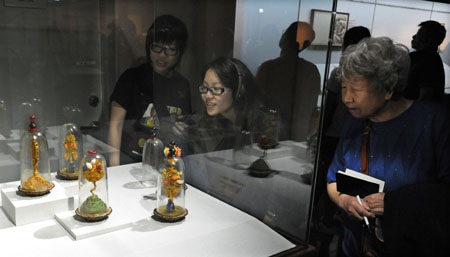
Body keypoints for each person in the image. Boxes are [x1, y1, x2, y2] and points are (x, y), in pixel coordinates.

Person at [326, 37, 450, 257]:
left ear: (388, 89)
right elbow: (333, 181)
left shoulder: (435, 122)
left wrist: (394, 204)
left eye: (355, 89)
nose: (346, 98)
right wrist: (345, 202)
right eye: (344, 87)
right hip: (356, 246)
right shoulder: (355, 122)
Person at [313, 26, 371, 257]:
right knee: (334, 178)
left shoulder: (340, 72)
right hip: (344, 131)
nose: (349, 97)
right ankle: (329, 220)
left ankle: (328, 220)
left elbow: (331, 105)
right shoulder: (340, 72)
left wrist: (321, 130)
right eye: (346, 89)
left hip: (338, 132)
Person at [108, 15, 191, 166]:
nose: (162, 55)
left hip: (165, 162)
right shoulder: (131, 77)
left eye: (170, 50)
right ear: (148, 46)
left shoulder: (182, 85)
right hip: (130, 160)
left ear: (180, 52)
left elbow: (182, 124)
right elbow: (116, 124)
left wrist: (183, 130)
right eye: (157, 47)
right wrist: (114, 166)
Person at [174, 57, 262, 154]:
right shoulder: (213, 123)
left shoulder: (261, 126)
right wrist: (189, 137)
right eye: (205, 87)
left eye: (216, 89)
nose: (207, 95)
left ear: (239, 91)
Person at [256, 21, 321, 142]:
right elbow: (311, 109)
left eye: (285, 32)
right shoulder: (311, 70)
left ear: (285, 38)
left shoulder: (268, 68)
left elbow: (257, 104)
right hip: (298, 135)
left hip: (271, 134)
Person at [403, 20, 446, 102]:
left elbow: (426, 95)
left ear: (428, 40)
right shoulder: (433, 59)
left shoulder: (426, 61)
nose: (413, 36)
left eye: (419, 33)